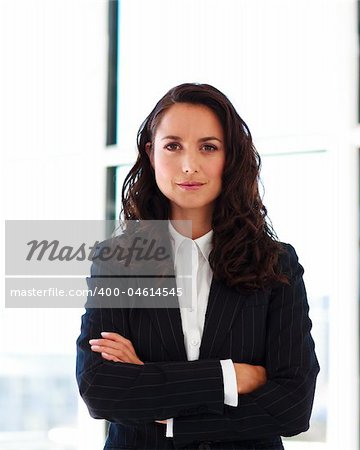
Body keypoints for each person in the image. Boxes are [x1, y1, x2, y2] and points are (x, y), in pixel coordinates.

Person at [76, 83, 320, 450]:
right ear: (151, 153)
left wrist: (157, 394)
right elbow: (101, 389)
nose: (189, 165)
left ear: (231, 157)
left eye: (208, 147)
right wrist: (229, 376)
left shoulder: (276, 263)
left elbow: (293, 406)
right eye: (173, 146)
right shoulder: (118, 261)